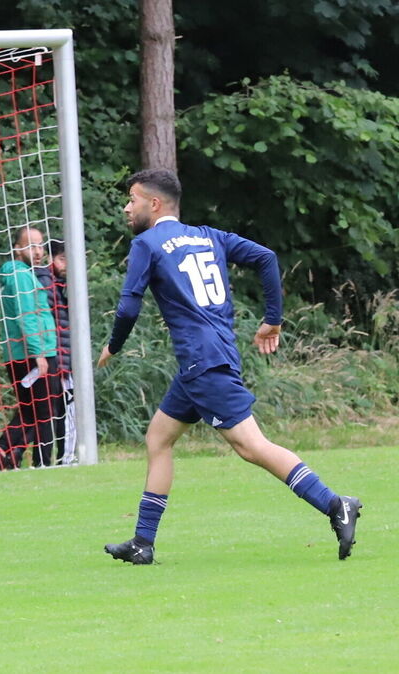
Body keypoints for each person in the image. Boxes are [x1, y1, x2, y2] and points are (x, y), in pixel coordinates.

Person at [97, 168, 361, 564]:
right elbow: (266, 258)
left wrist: (113, 346)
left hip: (202, 363)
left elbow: (128, 305)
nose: (126, 207)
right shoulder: (208, 236)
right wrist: (273, 317)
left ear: (154, 204)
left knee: (251, 446)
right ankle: (142, 543)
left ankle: (335, 504)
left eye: (132, 199)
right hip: (208, 359)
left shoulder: (148, 243)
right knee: (158, 439)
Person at [0, 226, 64, 471]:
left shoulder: (23, 274)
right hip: (33, 354)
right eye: (31, 246)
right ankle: (40, 463)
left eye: (40, 245)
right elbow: (27, 316)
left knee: (31, 412)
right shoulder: (20, 276)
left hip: (25, 353)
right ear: (17, 249)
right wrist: (39, 353)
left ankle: (4, 452)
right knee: (44, 412)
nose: (38, 251)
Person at [35, 246, 76, 465]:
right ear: (50, 258)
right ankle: (65, 459)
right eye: (62, 259)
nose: (66, 265)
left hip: (63, 358)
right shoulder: (46, 283)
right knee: (61, 412)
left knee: (57, 412)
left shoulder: (63, 285)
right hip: (58, 360)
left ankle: (57, 459)